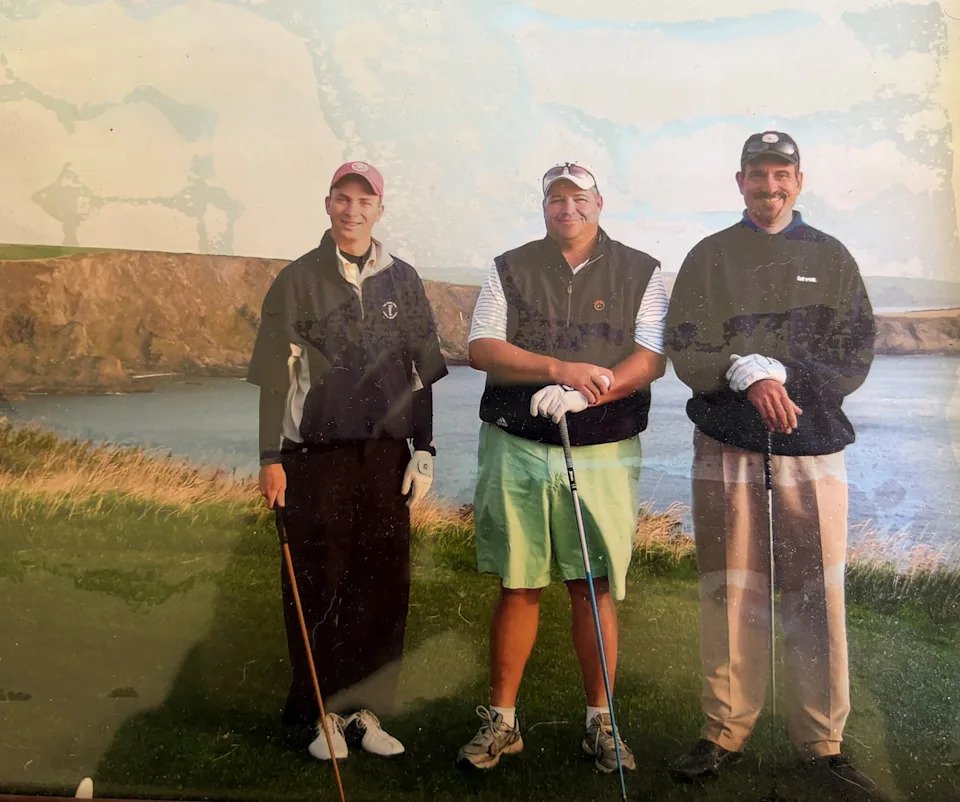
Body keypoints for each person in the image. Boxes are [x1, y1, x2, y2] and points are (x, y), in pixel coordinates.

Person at [665, 132, 878, 797]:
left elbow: (855, 354)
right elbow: (686, 349)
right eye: (758, 176)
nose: (770, 187)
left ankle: (822, 744)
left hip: (811, 450)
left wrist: (783, 375)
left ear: (799, 180)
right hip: (727, 446)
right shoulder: (710, 256)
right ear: (739, 182)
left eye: (781, 174)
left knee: (816, 596)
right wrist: (739, 370)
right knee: (731, 593)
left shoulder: (831, 256)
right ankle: (724, 729)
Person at [457, 162, 667, 774]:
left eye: (579, 197)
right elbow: (481, 349)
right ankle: (502, 721)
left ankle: (600, 723)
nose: (567, 208)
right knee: (519, 583)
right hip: (517, 441)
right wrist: (559, 370)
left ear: (599, 202)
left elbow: (650, 356)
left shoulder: (642, 270)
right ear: (543, 205)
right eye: (555, 198)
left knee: (592, 582)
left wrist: (590, 394)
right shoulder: (510, 266)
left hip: (603, 446)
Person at [247, 161, 448, 761]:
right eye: (343, 198)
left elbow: (425, 372)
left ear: (379, 209)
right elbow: (271, 380)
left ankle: (366, 712)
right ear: (328, 204)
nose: (353, 210)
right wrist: (269, 456)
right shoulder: (297, 280)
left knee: (383, 583)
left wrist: (426, 449)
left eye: (365, 200)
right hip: (315, 456)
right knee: (318, 583)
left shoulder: (404, 280)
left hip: (386, 458)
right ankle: (319, 715)